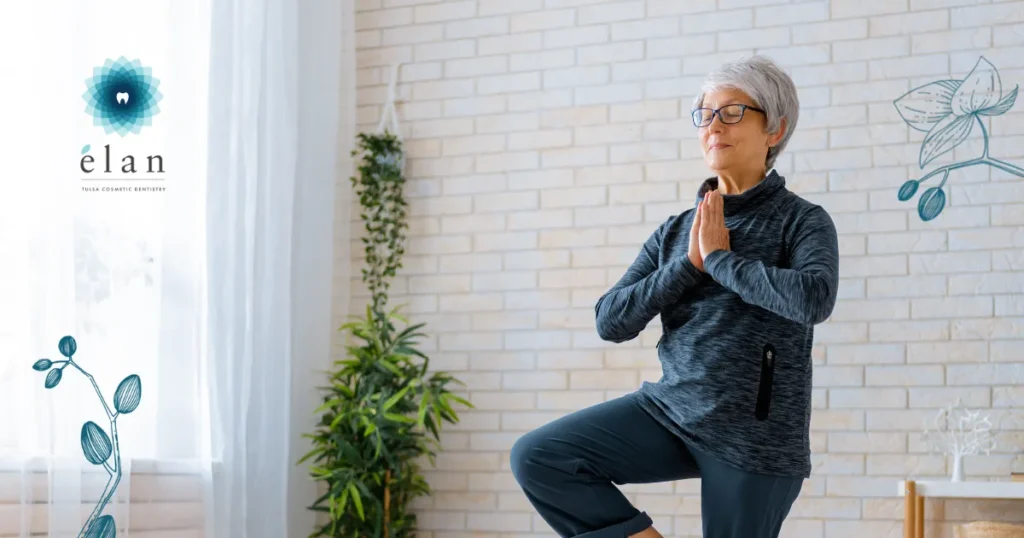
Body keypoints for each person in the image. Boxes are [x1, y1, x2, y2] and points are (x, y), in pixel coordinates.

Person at [509, 55, 840, 538]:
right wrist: (688, 265)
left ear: (775, 129)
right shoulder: (677, 231)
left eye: (731, 112)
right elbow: (611, 320)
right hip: (671, 411)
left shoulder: (803, 221)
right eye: (705, 114)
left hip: (755, 435)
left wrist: (722, 260)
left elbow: (814, 299)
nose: (713, 126)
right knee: (540, 456)